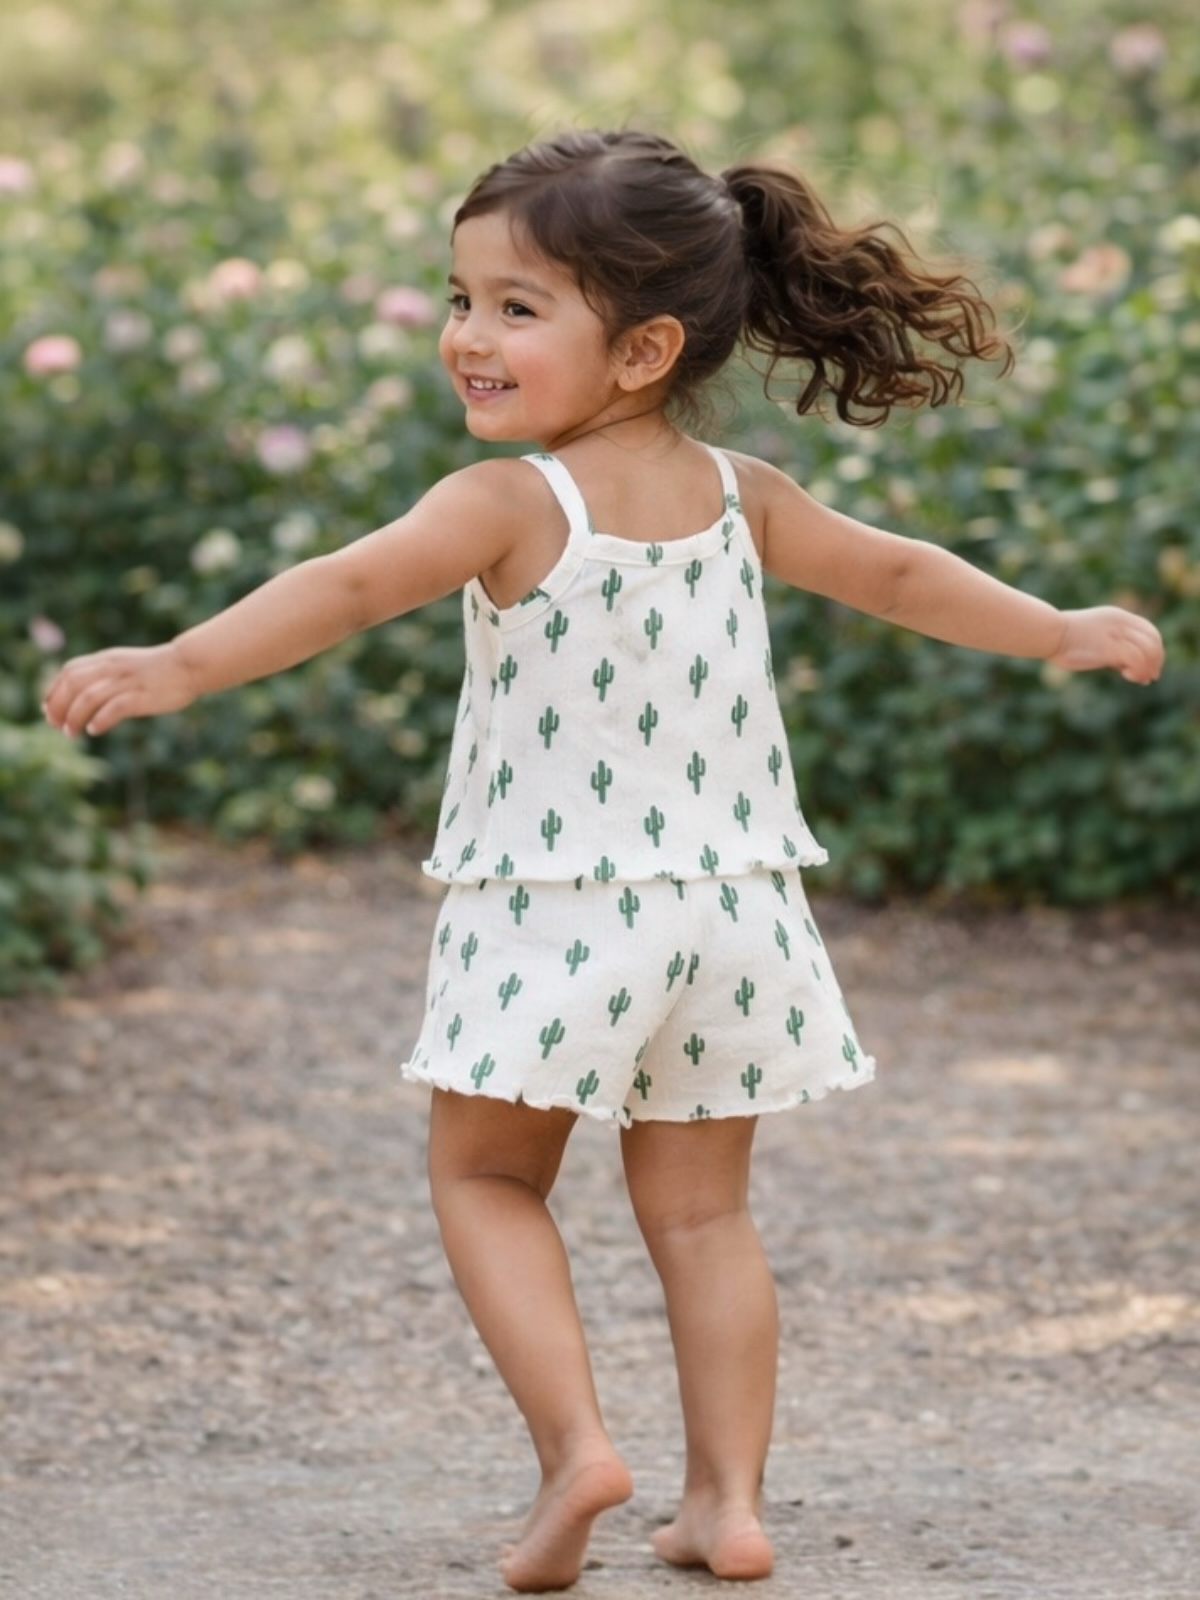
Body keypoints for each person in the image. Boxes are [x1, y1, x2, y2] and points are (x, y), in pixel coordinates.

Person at [43, 129, 1163, 1592]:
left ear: (642, 348)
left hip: (557, 912)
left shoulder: (511, 503)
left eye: (516, 308)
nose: (467, 336)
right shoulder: (738, 495)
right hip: (738, 911)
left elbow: (345, 586)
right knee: (704, 1210)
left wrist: (182, 663)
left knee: (487, 1182)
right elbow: (896, 569)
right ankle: (728, 1505)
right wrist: (1062, 627)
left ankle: (578, 1448)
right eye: (460, 297)